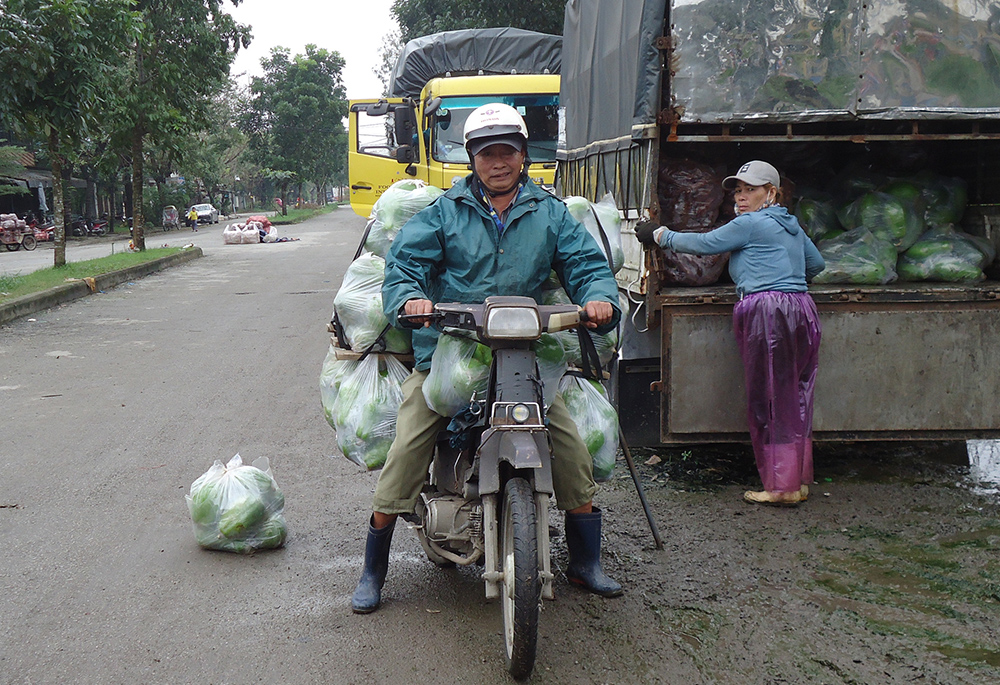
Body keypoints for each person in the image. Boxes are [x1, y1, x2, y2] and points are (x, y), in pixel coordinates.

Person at [351, 103, 624, 614]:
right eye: (486, 154)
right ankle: (373, 569)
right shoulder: (444, 213)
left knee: (564, 440)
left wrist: (598, 296)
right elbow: (405, 264)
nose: (498, 162)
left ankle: (586, 562)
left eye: (507, 152)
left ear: (523, 156)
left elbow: (585, 263)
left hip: (526, 352)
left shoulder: (549, 213)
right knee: (411, 439)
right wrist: (410, 300)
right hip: (451, 351)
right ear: (472, 160)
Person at [636, 160, 825, 507]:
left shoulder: (750, 224)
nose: (741, 196)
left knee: (769, 397)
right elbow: (817, 265)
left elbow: (707, 244)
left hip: (768, 313)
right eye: (738, 190)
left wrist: (660, 235)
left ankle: (781, 488)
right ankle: (795, 480)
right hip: (802, 309)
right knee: (796, 396)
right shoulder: (791, 225)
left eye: (750, 190)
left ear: (771, 192)